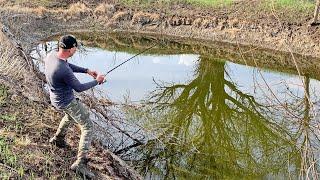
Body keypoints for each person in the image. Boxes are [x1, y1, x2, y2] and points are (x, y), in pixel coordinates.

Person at [44, 34, 104, 178]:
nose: (76, 49)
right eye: (75, 47)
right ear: (71, 49)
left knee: (69, 117)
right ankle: (80, 164)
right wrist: (98, 80)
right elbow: (79, 87)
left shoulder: (52, 55)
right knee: (87, 126)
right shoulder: (62, 69)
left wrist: (86, 70)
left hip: (56, 98)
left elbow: (67, 65)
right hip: (66, 101)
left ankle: (58, 139)